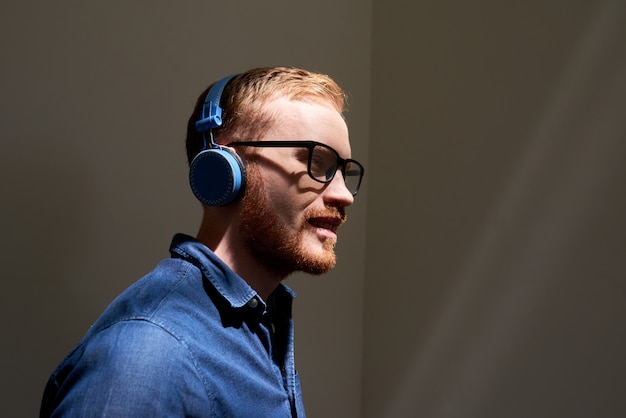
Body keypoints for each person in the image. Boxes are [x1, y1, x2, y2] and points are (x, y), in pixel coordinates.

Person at [40, 66, 364, 417]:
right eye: (317, 162)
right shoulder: (148, 356)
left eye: (344, 173)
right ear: (226, 166)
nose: (344, 195)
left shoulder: (258, 328)